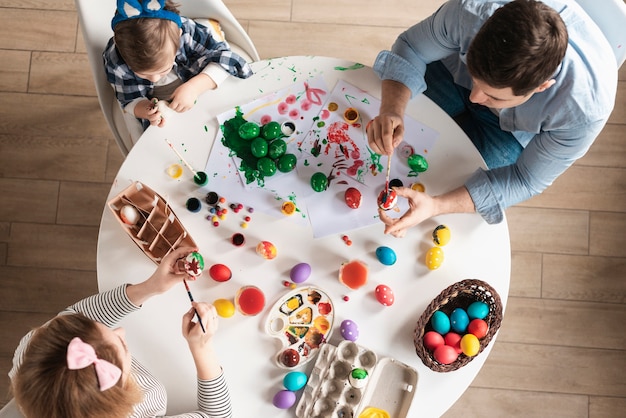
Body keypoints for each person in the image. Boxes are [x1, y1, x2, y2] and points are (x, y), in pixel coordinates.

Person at [367, 0, 617, 237]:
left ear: (541, 87)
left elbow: (524, 179)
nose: (475, 97)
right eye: (475, 78)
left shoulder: (583, 111)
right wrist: (392, 109)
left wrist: (435, 206)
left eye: (493, 96)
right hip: (451, 75)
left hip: (511, 133)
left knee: (441, 188)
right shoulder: (470, 11)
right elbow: (412, 48)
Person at [9, 247, 232, 418]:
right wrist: (201, 348)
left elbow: (77, 314)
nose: (122, 331)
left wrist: (150, 286)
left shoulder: (32, 355)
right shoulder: (144, 406)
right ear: (121, 398)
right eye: (122, 345)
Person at [103, 0, 253, 134]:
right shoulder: (116, 61)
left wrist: (195, 87)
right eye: (143, 74)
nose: (155, 78)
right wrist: (147, 111)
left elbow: (227, 59)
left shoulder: (186, 33)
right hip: (158, 98)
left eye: (162, 70)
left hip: (200, 80)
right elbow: (129, 99)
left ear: (179, 36)